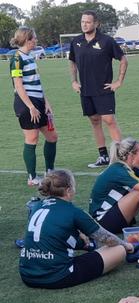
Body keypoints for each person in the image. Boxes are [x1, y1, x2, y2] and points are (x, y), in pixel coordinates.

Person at [19, 169, 135, 289]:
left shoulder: (37, 206)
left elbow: (52, 234)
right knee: (119, 249)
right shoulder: (73, 211)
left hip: (27, 274)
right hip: (56, 276)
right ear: (68, 190)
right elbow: (106, 238)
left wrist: (82, 242)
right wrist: (127, 246)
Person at [69, 10, 128, 168]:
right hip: (85, 90)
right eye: (82, 21)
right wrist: (74, 81)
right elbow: (72, 62)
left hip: (103, 88)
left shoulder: (107, 41)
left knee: (109, 120)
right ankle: (103, 156)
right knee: (95, 121)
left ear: (96, 24)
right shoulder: (76, 42)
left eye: (88, 22)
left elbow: (123, 59)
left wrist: (118, 81)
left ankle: (120, 157)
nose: (84, 24)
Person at [9, 26, 58, 187]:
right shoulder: (17, 58)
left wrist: (46, 102)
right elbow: (19, 85)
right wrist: (31, 106)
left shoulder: (30, 56)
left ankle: (49, 172)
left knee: (52, 136)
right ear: (27, 39)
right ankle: (32, 177)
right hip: (26, 103)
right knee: (32, 138)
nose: (36, 40)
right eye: (34, 38)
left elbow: (37, 82)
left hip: (39, 102)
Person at [89, 137, 139, 234]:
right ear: (131, 155)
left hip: (113, 214)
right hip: (104, 221)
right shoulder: (118, 170)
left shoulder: (127, 168)